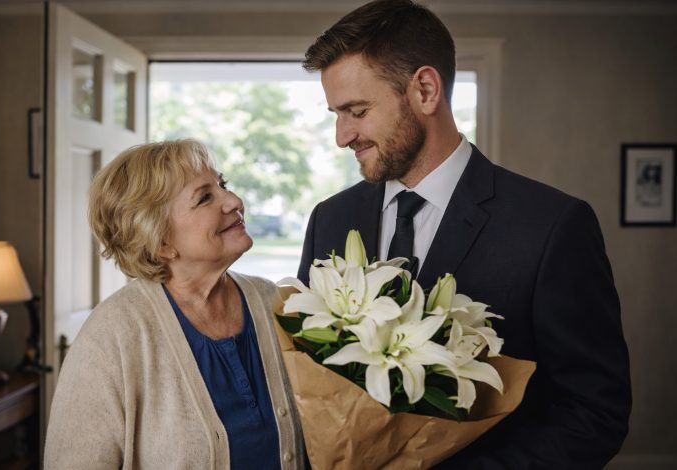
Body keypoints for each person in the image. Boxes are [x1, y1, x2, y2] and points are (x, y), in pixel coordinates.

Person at [297, 0, 631, 468]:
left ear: (425, 90)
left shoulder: (553, 225)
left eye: (357, 111)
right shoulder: (329, 219)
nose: (341, 135)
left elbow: (594, 413)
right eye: (336, 113)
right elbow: (308, 377)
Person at [44, 139, 305, 469]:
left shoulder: (274, 302)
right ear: (160, 241)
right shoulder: (111, 336)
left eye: (223, 185)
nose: (234, 201)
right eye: (204, 198)